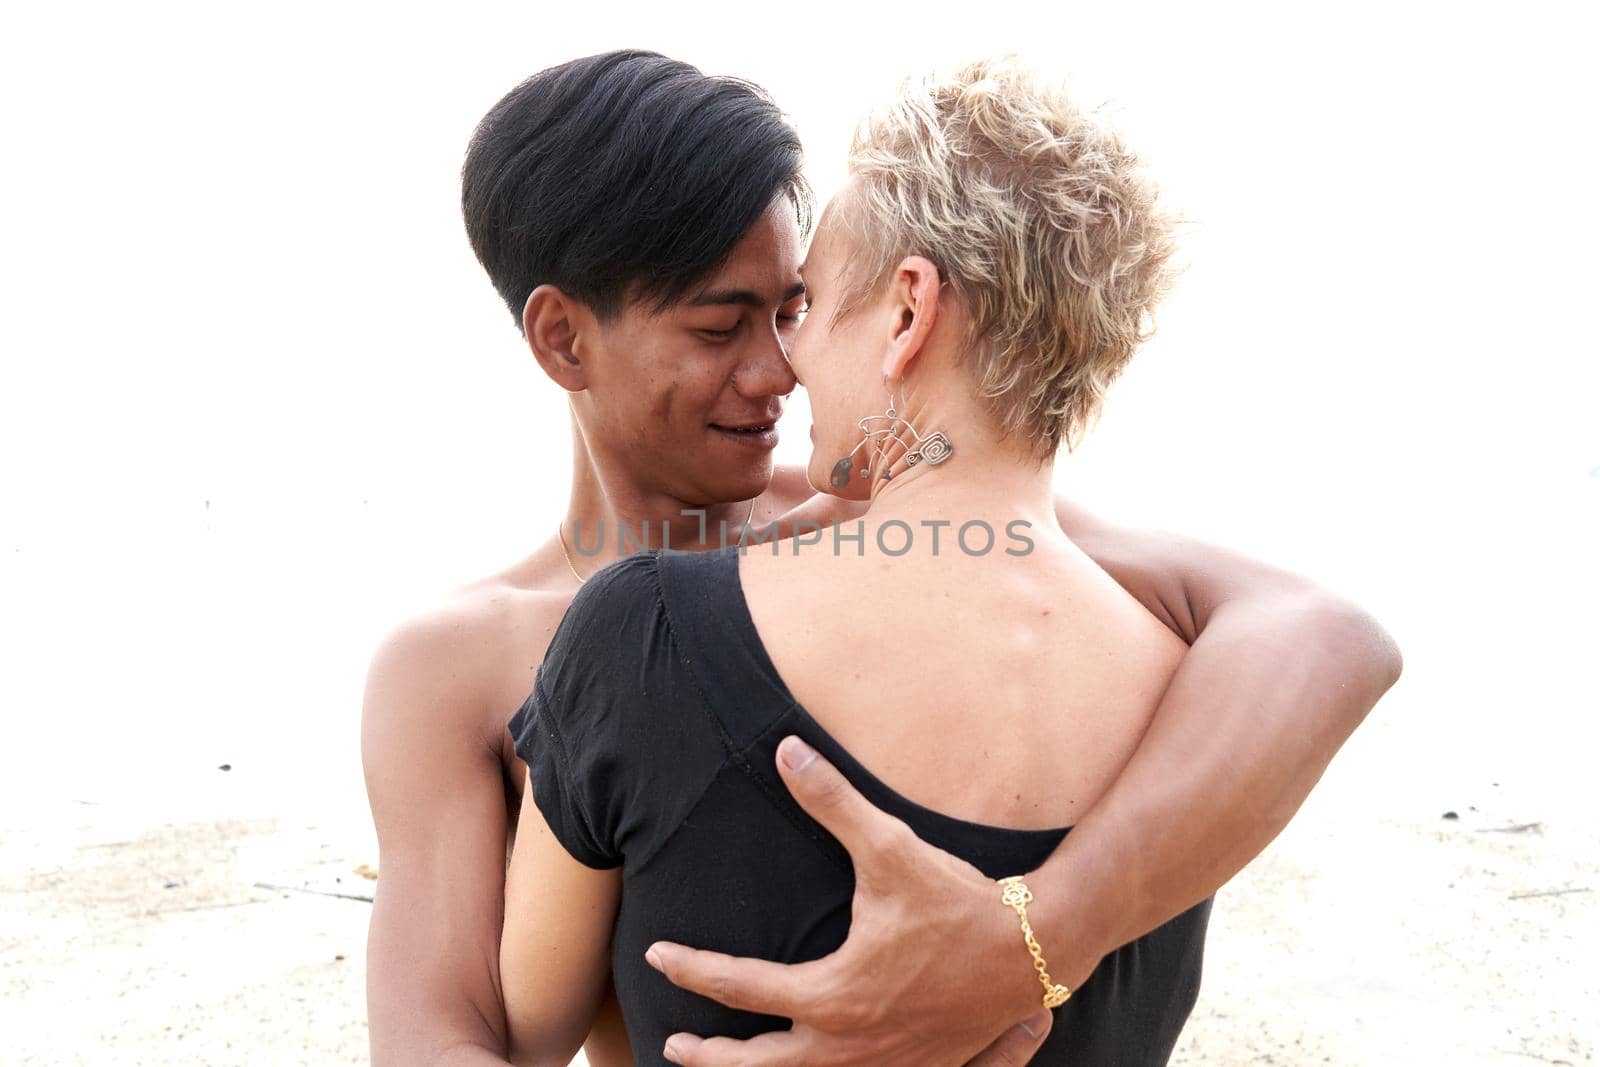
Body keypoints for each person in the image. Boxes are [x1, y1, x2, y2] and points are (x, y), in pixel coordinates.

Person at [362, 50, 1402, 1066]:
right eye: (723, 326)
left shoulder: (887, 512)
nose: (781, 368)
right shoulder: (459, 662)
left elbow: (1319, 632)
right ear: (562, 339)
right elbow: (440, 1035)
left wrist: (1031, 940)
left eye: (795, 308)